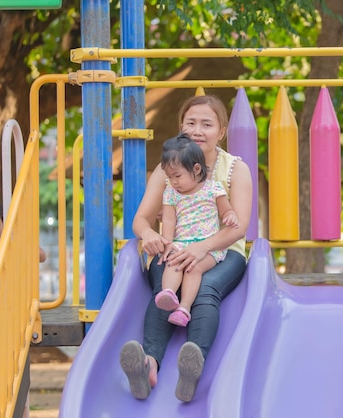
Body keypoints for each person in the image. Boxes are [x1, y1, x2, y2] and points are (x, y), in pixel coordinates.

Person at [119, 94, 252, 402]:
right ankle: (148, 365)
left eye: (207, 124)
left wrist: (201, 248)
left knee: (206, 289)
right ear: (181, 127)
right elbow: (141, 219)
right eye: (190, 123)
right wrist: (150, 234)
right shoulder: (167, 169)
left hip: (222, 251)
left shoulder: (234, 170)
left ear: (221, 132)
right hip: (175, 248)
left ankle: (192, 366)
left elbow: (238, 226)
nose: (197, 130)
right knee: (164, 289)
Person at [156, 134, 240, 327]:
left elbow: (226, 209)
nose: (173, 181)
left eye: (177, 176)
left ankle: (184, 309)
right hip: (182, 243)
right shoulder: (171, 193)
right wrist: (167, 243)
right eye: (169, 177)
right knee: (173, 262)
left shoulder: (213, 189)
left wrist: (230, 216)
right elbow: (169, 219)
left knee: (194, 268)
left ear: (196, 169)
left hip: (209, 246)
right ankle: (168, 293)